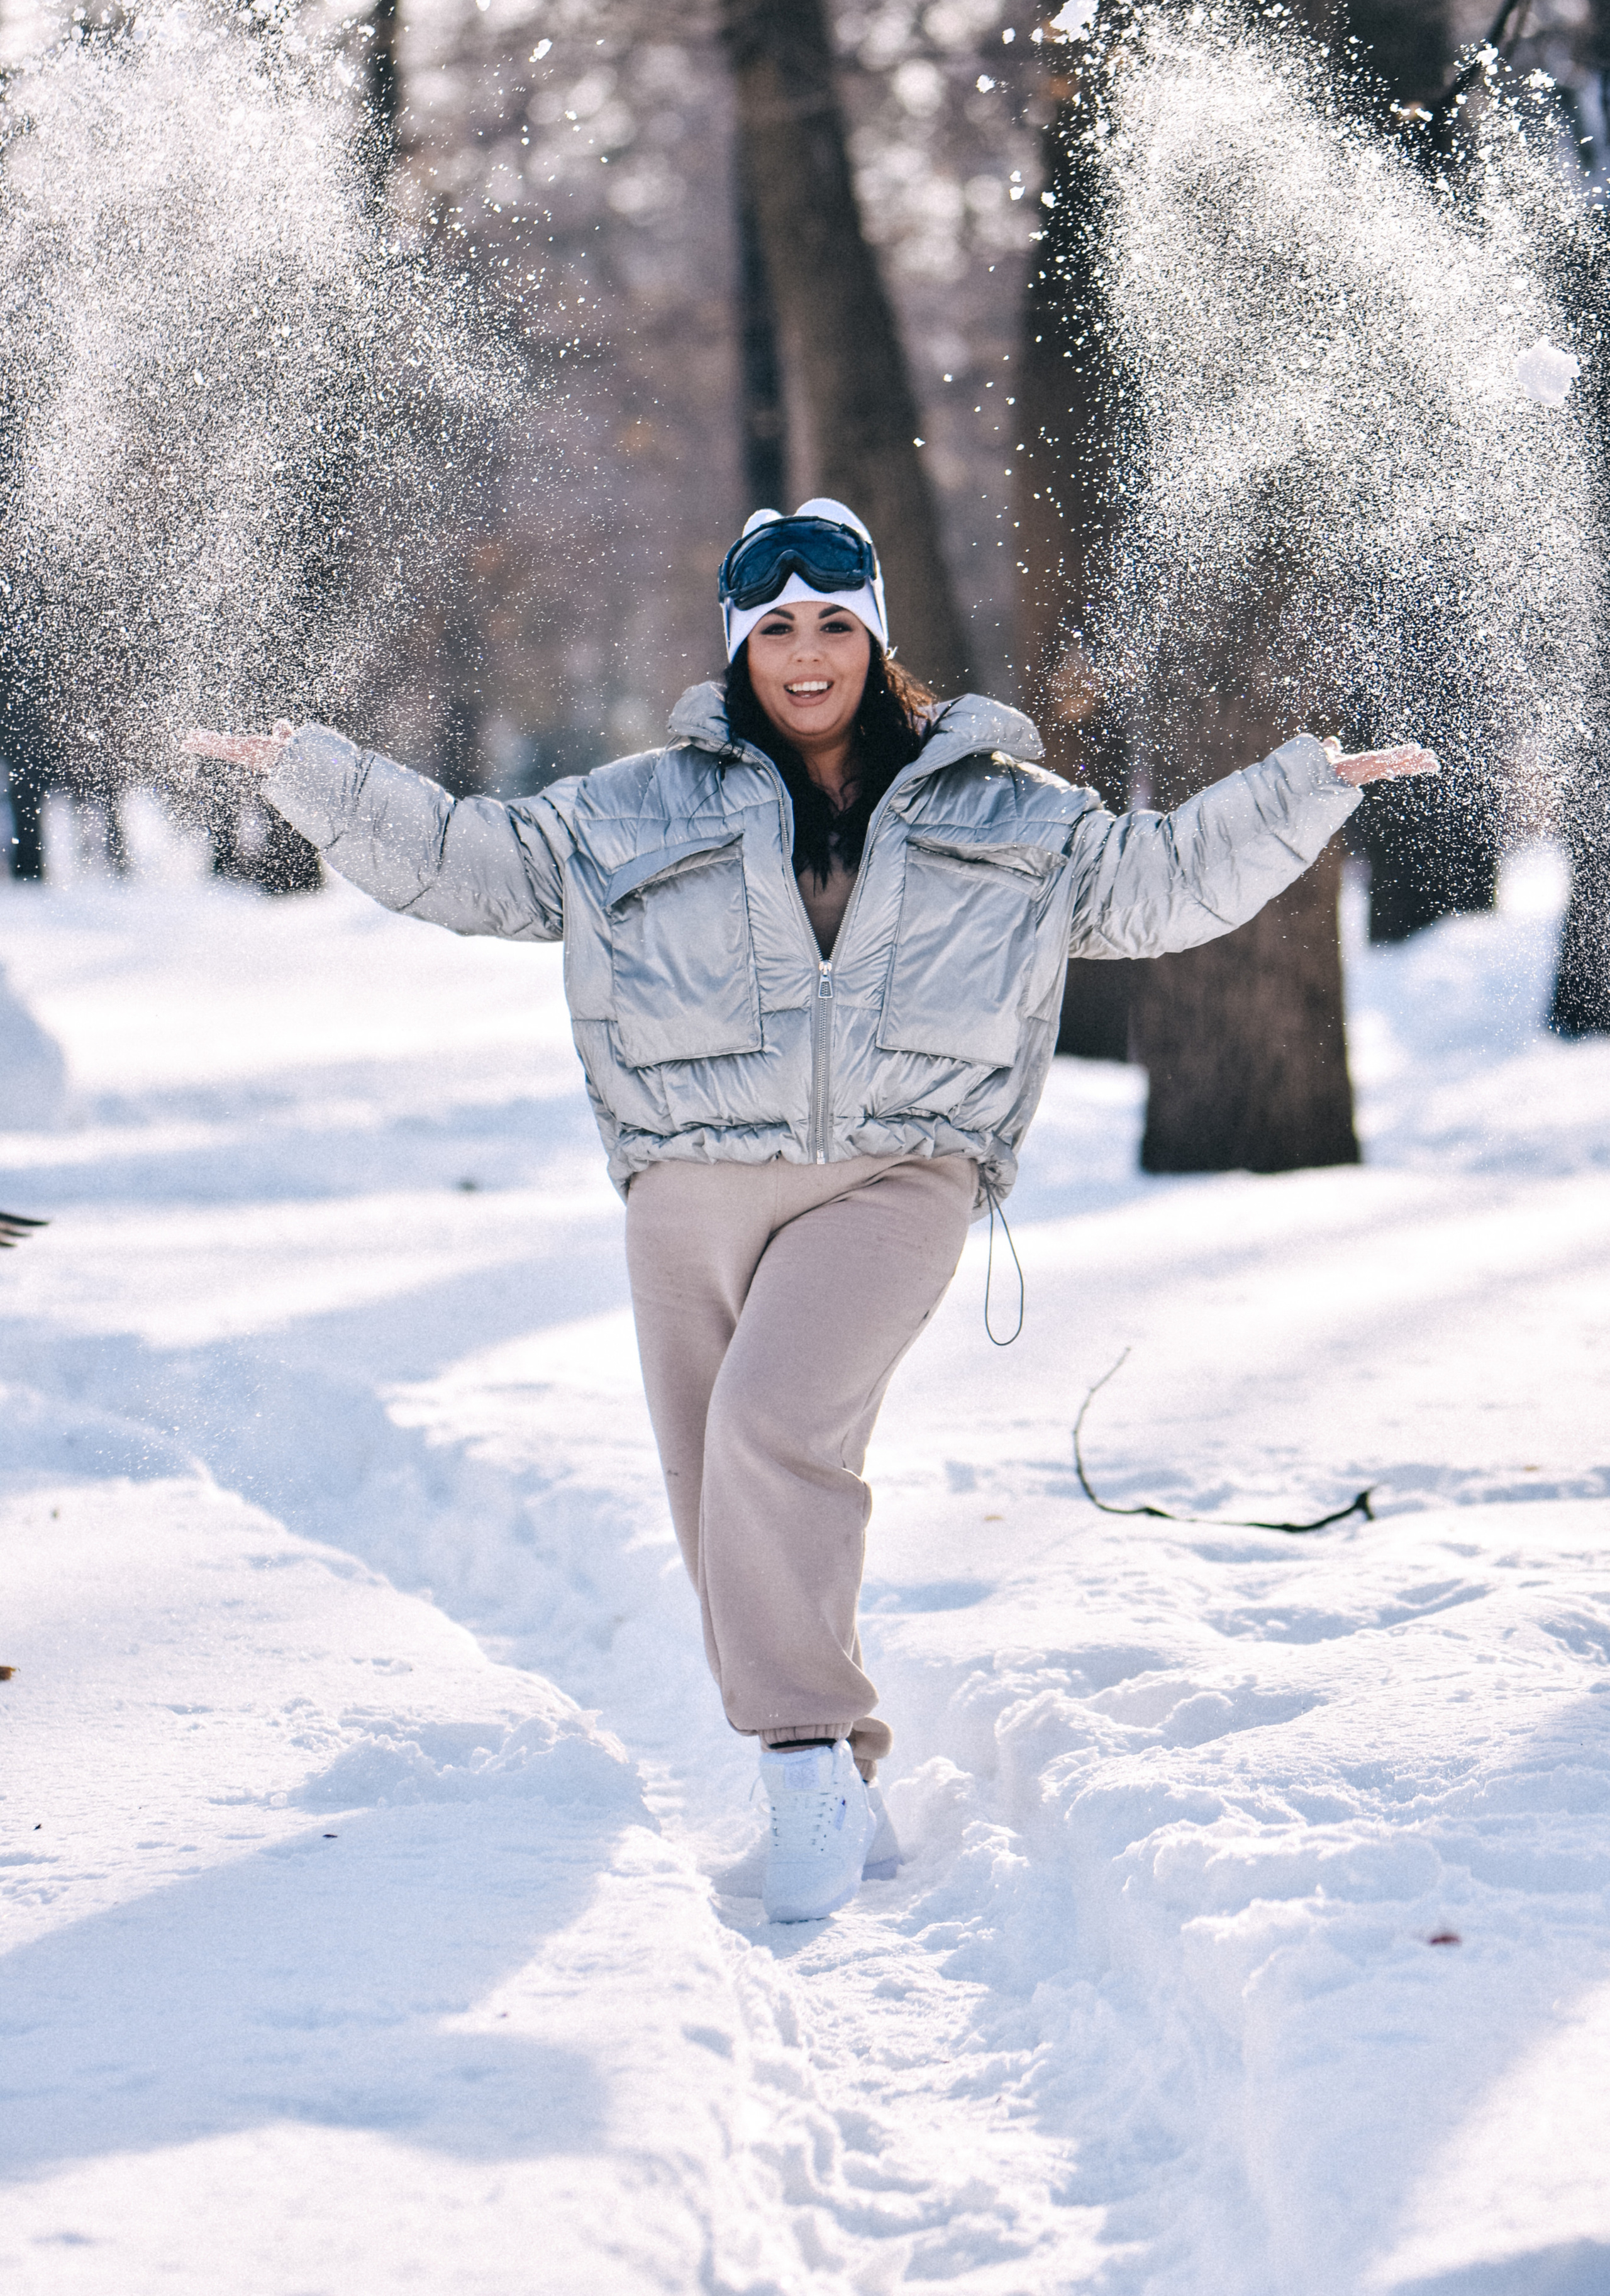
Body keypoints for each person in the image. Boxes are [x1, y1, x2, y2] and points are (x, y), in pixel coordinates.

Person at [185, 497, 1436, 1925]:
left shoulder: (1004, 808)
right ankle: (844, 1773)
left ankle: (795, 1773)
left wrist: (1299, 789)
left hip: (899, 1170)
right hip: (685, 1180)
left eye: (832, 623)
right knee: (716, 1486)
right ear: (738, 647)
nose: (803, 650)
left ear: (874, 638)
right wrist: (317, 776)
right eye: (774, 626)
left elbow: (1154, 886)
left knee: (773, 1427)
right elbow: (476, 863)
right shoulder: (633, 806)